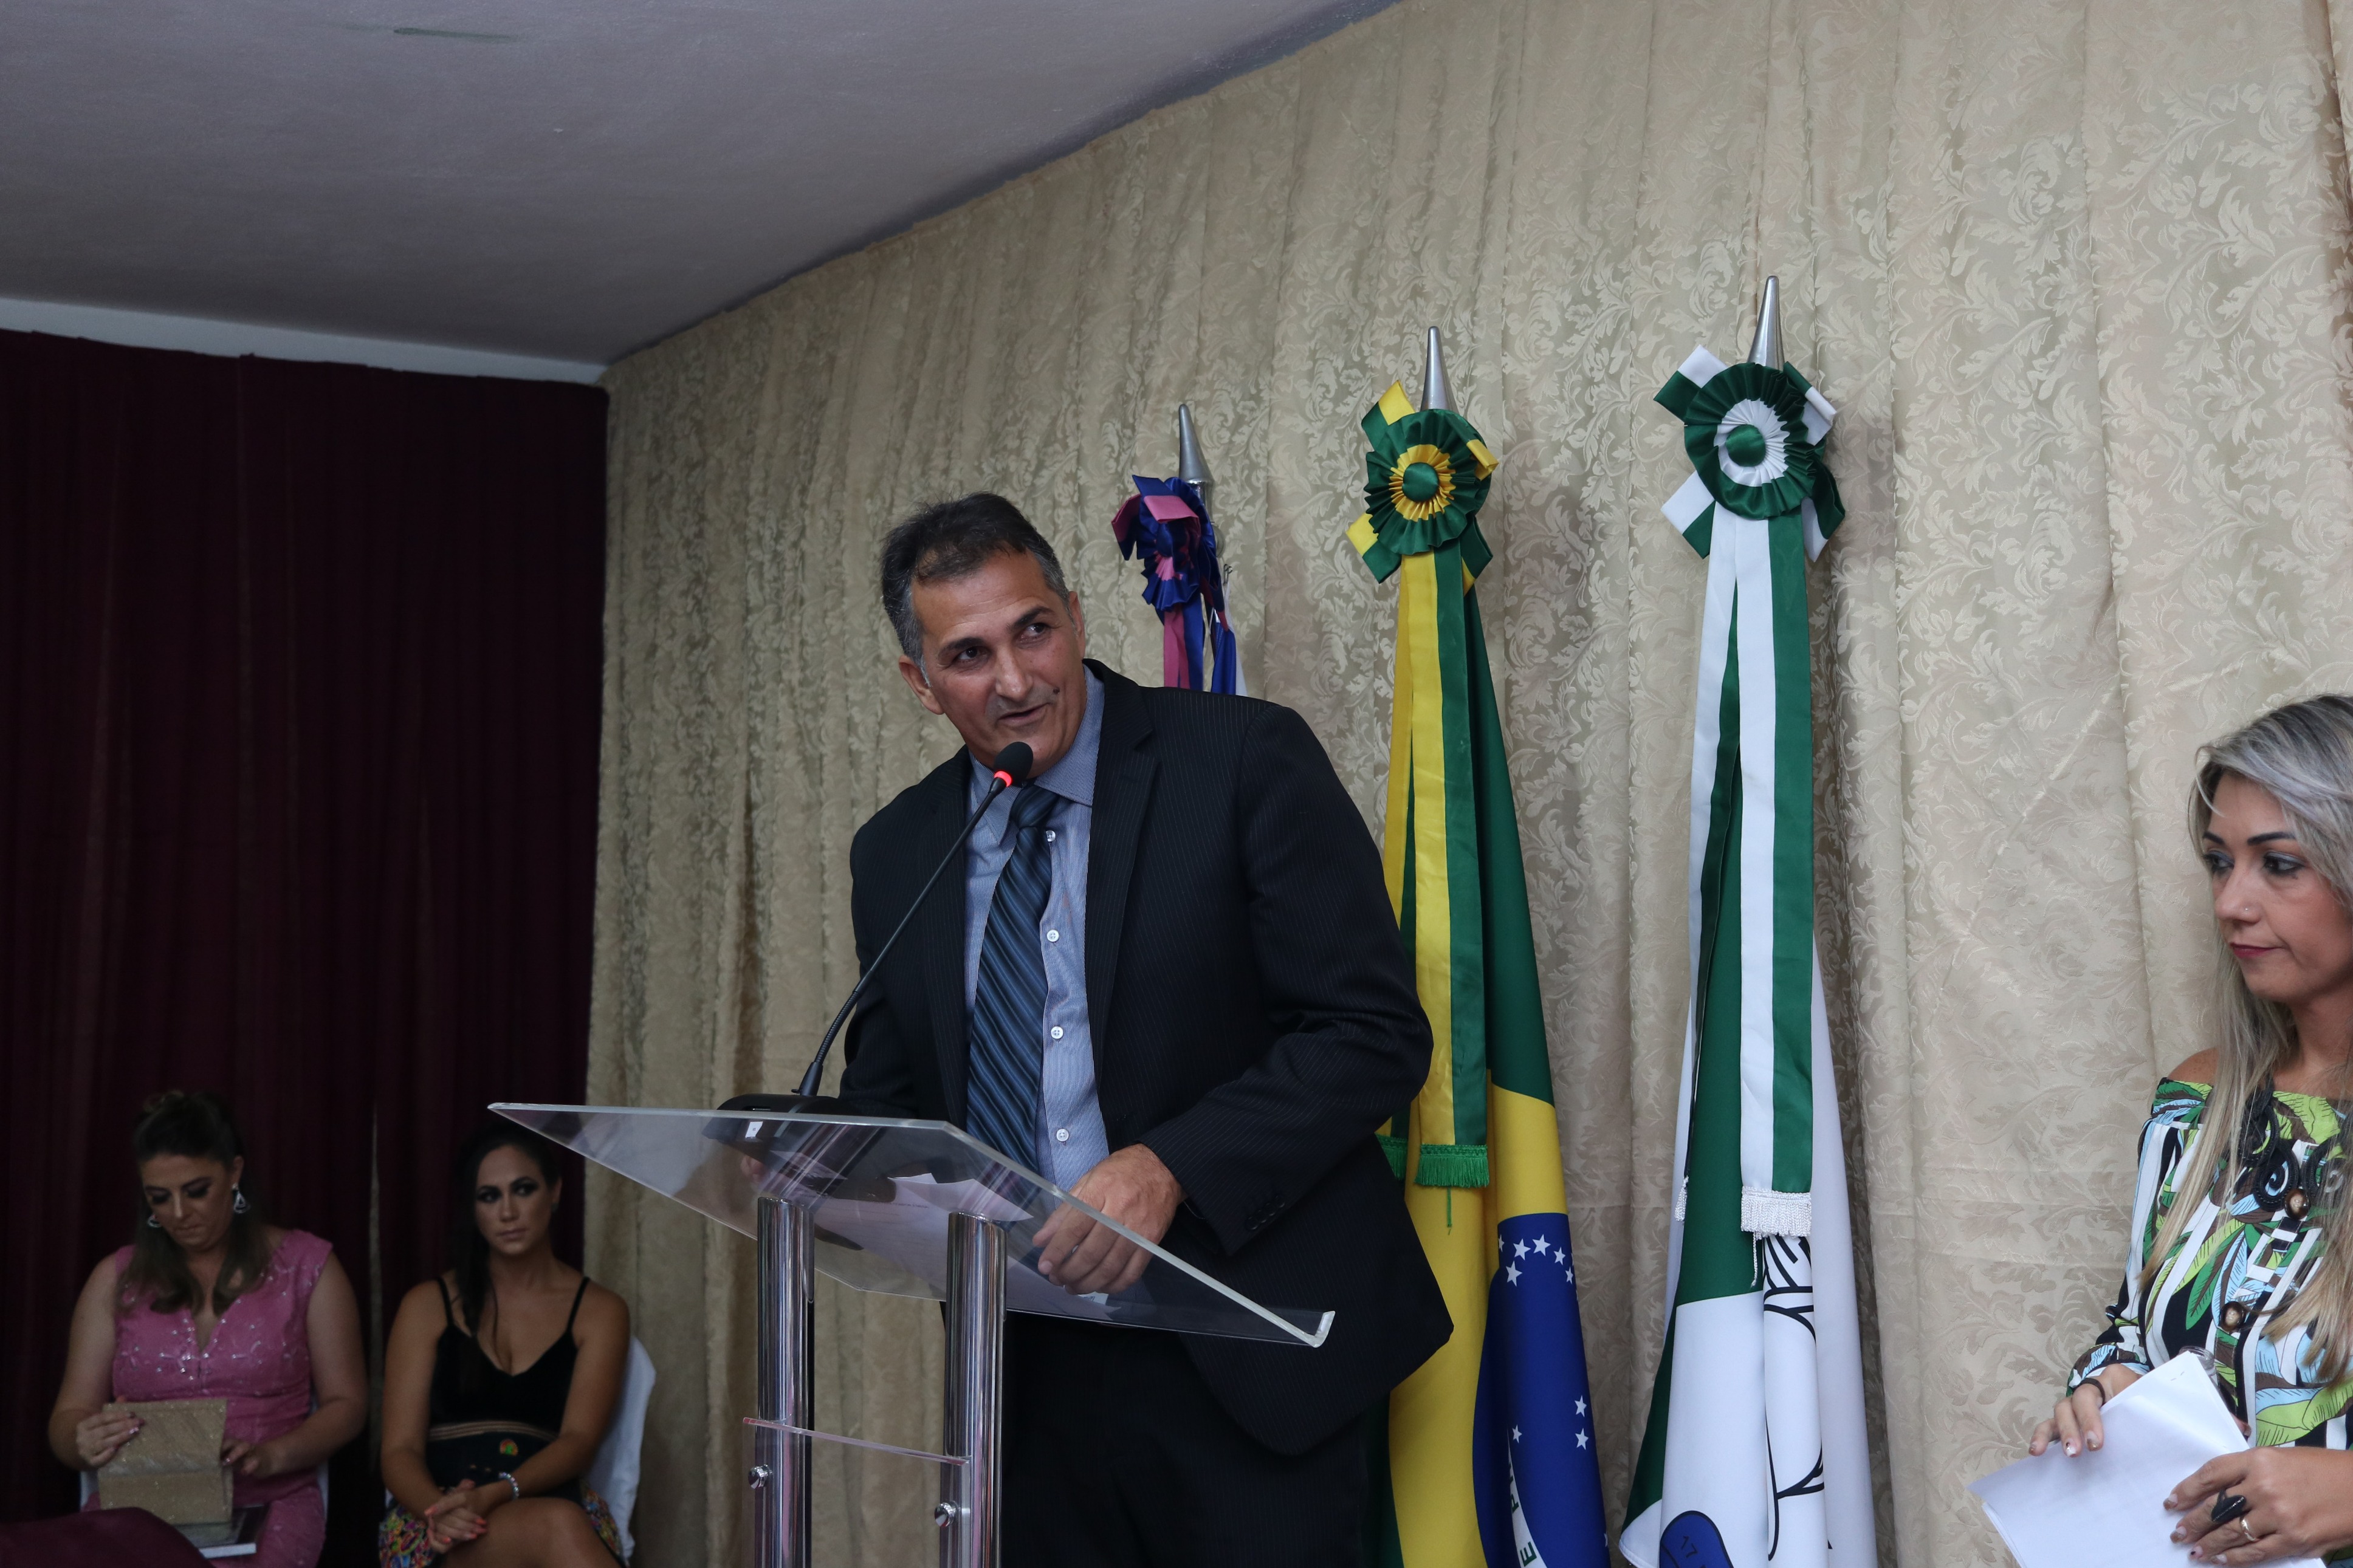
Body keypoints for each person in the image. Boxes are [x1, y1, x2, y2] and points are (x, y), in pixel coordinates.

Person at [816, 492, 1449, 1566]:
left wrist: (1172, 1166)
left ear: (1074, 613)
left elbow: (1371, 1032)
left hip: (1244, 1356)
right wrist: (817, 1170)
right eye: (968, 655)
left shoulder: (1241, 760)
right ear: (920, 684)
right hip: (1026, 1379)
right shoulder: (899, 849)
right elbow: (896, 1105)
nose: (1015, 680)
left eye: (1033, 629)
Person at [2032, 695, 2353, 1564]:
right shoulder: (2196, 1102)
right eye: (2219, 862)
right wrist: (2103, 1391)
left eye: (2278, 864)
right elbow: (2136, 1326)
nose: (2230, 902)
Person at [48, 1091, 367, 1568]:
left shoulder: (307, 1266)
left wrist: (273, 1455)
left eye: (196, 1190)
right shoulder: (116, 1278)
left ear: (235, 1172)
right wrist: (82, 1438)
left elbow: (349, 1403)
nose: (178, 1213)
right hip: (140, 1509)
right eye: (159, 1197)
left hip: (268, 1502)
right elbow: (67, 1416)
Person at [378, 1123, 630, 1567]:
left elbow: (579, 1441)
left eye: (524, 1189)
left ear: (555, 1191)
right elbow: (399, 1451)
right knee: (558, 1527)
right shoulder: (426, 1305)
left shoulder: (600, 1310)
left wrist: (498, 1493)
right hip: (435, 1514)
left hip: (553, 1501)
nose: (508, 1211)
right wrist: (442, 1512)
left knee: (559, 1523)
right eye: (489, 1196)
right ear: (472, 1208)